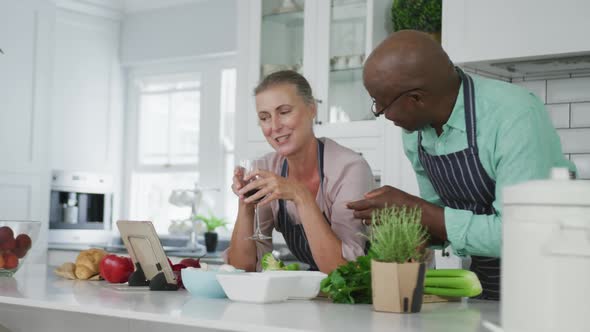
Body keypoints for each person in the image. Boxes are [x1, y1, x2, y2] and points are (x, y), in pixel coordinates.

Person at [346, 30, 575, 300]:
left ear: (417, 99)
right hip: (486, 284)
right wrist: (404, 226)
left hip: (553, 284)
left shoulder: (515, 117)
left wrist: (414, 210)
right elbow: (440, 218)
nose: (381, 115)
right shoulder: (416, 133)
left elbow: (524, 233)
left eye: (381, 105)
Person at [226, 70, 374, 274]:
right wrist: (246, 204)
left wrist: (300, 195)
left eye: (284, 112)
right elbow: (241, 269)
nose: (275, 126)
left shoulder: (349, 168)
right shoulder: (267, 169)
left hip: (364, 295)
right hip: (319, 295)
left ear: (312, 109)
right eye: (265, 117)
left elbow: (344, 270)